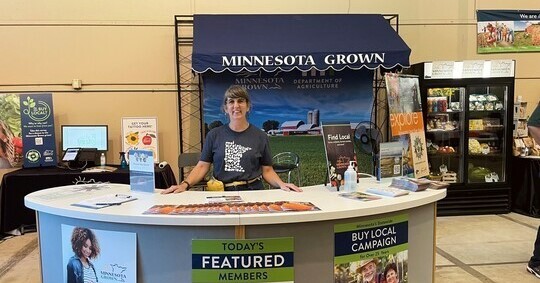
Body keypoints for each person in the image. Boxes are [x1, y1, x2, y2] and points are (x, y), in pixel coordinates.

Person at [162, 85, 301, 193]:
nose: (236, 106)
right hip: (221, 193)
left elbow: (267, 171)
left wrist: (282, 185)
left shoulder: (261, 136)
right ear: (225, 108)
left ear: (248, 106)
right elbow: (202, 166)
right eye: (231, 102)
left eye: (241, 101)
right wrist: (184, 185)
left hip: (253, 192)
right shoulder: (214, 135)